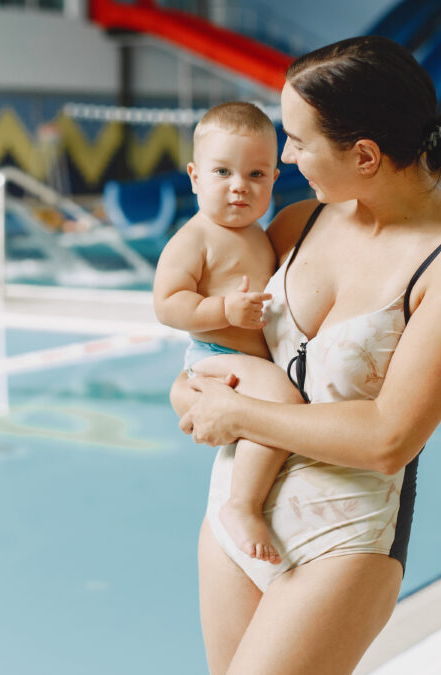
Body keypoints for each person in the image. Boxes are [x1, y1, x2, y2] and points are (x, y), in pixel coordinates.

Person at [171, 36, 441, 675]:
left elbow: (388, 438)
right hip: (234, 512)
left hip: (344, 537)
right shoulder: (299, 224)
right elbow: (223, 348)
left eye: (298, 141)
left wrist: (235, 416)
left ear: (366, 155)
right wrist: (188, 390)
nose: (287, 157)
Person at [154, 101, 306, 566]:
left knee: (272, 405)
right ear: (195, 176)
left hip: (247, 361)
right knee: (281, 404)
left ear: (274, 181)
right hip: (213, 353)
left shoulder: (262, 234)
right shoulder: (194, 238)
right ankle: (241, 505)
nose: (240, 187)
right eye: (223, 172)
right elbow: (167, 304)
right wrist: (224, 309)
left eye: (256, 175)